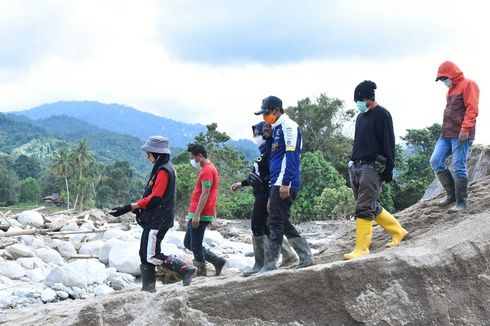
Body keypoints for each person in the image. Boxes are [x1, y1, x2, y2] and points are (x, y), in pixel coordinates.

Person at [109, 136, 196, 292]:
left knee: (152, 255)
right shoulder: (164, 168)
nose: (147, 156)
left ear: (157, 153)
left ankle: (185, 269)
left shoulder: (164, 170)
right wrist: (133, 206)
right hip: (157, 218)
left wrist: (131, 206)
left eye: (149, 153)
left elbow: (156, 197)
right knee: (144, 253)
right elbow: (152, 196)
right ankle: (148, 289)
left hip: (159, 219)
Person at [344, 81, 408, 260]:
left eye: (359, 99)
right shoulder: (360, 117)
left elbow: (389, 143)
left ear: (368, 98)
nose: (358, 103)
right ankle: (398, 231)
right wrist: (352, 162)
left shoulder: (382, 114)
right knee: (368, 204)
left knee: (364, 206)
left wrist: (387, 170)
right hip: (356, 165)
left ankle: (362, 248)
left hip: (373, 166)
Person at [254, 95, 314, 272]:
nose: (265, 117)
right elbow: (276, 156)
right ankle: (305, 256)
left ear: (276, 110)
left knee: (274, 221)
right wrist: (269, 137)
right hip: (277, 181)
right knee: (281, 220)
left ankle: (269, 265)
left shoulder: (289, 126)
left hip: (285, 181)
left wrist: (285, 182)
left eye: (266, 113)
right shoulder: (276, 128)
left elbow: (291, 156)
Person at [231, 122, 297, 276]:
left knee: (257, 226)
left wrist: (269, 197)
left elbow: (271, 175)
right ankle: (287, 254)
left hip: (266, 193)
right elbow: (258, 175)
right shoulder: (264, 152)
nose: (255, 137)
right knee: (268, 227)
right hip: (262, 192)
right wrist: (242, 183)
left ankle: (260, 263)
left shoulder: (270, 151)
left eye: (257, 134)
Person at [431, 61, 479, 213]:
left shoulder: (469, 84)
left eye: (444, 78)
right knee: (435, 161)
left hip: (461, 134)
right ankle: (451, 195)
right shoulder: (450, 90)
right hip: (446, 134)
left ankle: (461, 202)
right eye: (441, 80)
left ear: (452, 74)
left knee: (458, 167)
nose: (443, 82)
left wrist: (465, 129)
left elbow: (472, 109)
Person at [184, 143, 226, 277]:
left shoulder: (208, 170)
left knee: (195, 245)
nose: (193, 161)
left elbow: (206, 193)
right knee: (188, 243)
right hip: (198, 212)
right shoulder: (208, 168)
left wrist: (197, 215)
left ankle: (202, 273)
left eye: (193, 157)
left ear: (200, 156)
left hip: (200, 214)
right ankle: (217, 261)